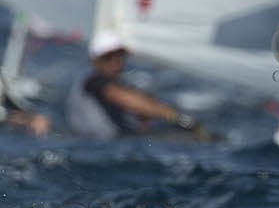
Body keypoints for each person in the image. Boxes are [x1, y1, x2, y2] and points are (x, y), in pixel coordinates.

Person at [66, 30, 199, 139]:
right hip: (98, 147)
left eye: (119, 55)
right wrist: (174, 116)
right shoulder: (92, 82)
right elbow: (117, 96)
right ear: (95, 60)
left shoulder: (121, 84)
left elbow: (139, 113)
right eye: (108, 56)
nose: (116, 61)